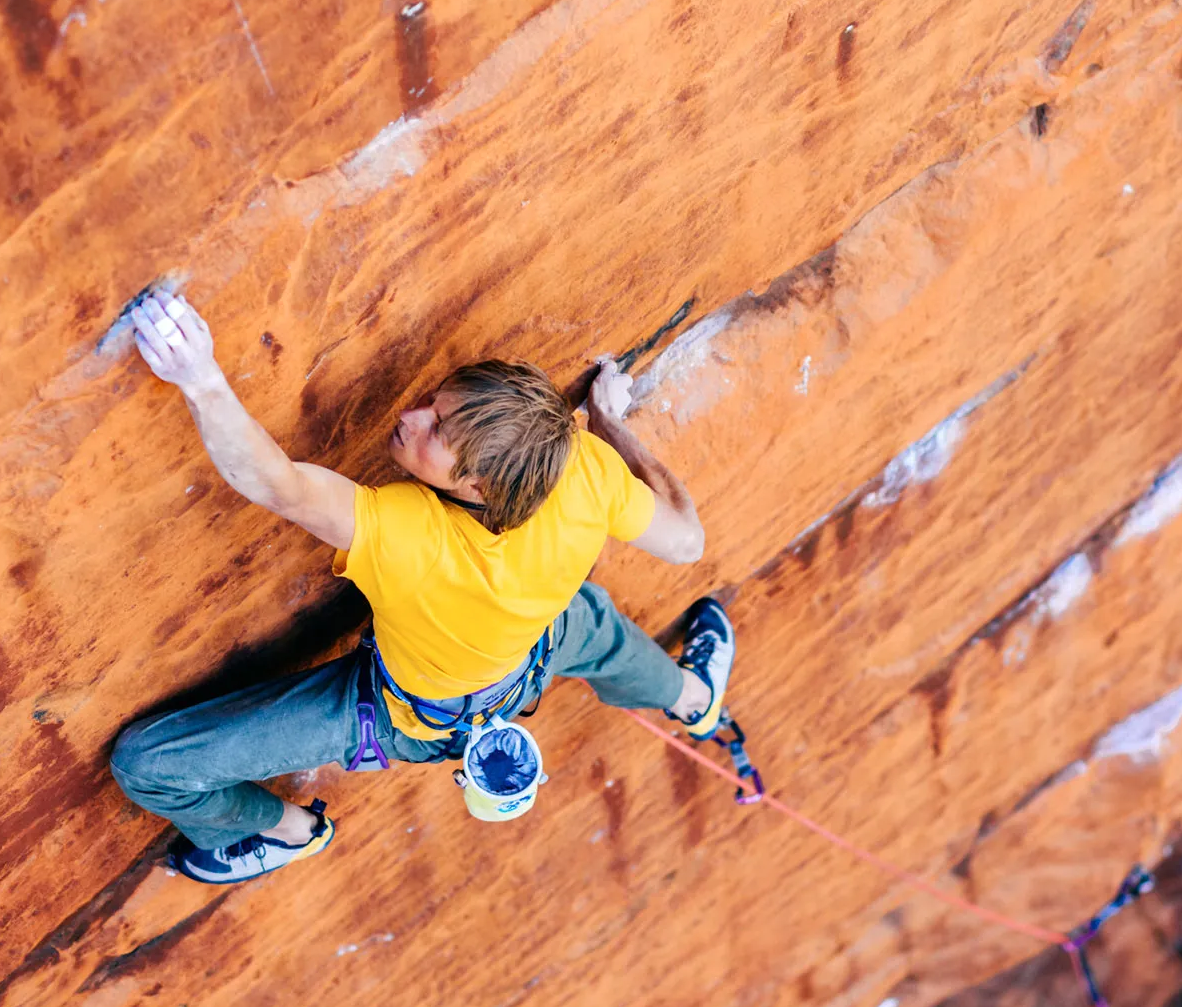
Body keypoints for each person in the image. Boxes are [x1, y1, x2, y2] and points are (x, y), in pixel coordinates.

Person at [109, 289, 737, 884]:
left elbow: (279, 484)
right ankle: (691, 697)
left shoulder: (412, 538)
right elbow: (686, 542)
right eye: (437, 402)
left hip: (405, 716)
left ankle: (289, 832)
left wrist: (201, 379)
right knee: (589, 625)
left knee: (149, 767)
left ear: (480, 490)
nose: (411, 418)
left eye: (437, 433)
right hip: (536, 649)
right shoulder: (580, 464)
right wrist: (609, 424)